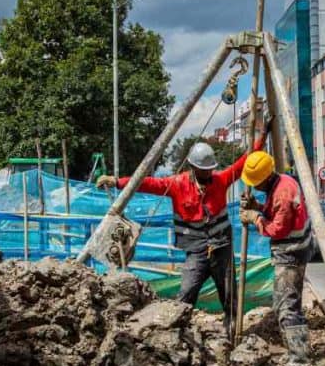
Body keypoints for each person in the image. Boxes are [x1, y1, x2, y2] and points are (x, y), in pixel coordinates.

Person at [96, 134, 267, 340]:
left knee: (229, 293)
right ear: (193, 167)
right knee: (186, 293)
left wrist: (261, 138)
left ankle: (232, 332)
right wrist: (116, 182)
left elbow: (243, 163)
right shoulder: (178, 184)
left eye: (210, 169)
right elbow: (147, 183)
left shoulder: (220, 181)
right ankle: (177, 334)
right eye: (204, 170)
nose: (208, 172)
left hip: (221, 248)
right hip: (196, 251)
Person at [238, 150, 314, 364]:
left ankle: (299, 359)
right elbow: (277, 213)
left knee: (286, 306)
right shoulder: (283, 182)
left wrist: (255, 217)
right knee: (291, 302)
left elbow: (277, 229)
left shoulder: (282, 193)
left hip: (291, 252)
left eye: (255, 183)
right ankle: (298, 352)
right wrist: (259, 208)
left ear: (263, 179)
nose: (254, 186)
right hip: (295, 248)